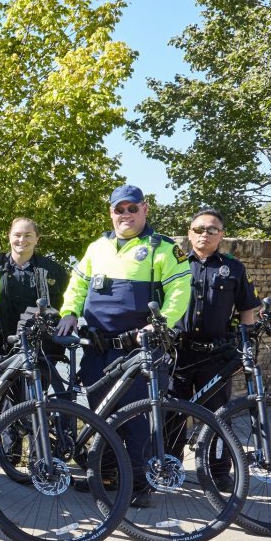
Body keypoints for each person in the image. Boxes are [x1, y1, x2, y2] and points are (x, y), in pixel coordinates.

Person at [57, 183, 192, 507]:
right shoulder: (98, 246)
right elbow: (77, 283)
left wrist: (160, 323)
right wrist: (70, 312)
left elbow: (179, 292)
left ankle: (139, 485)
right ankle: (104, 475)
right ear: (111, 212)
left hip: (139, 349)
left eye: (133, 208)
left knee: (137, 420)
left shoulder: (163, 248)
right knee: (101, 415)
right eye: (120, 209)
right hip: (97, 348)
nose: (126, 214)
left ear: (145, 209)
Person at [170, 208, 259, 487]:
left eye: (211, 230)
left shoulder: (233, 267)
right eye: (198, 229)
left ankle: (217, 472)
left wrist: (245, 343)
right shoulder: (176, 265)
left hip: (215, 355)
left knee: (218, 418)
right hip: (178, 353)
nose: (204, 234)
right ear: (189, 233)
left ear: (221, 235)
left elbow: (247, 308)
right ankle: (169, 467)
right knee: (171, 415)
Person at [0, 217, 70, 355]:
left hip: (42, 349)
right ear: (9, 237)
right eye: (17, 235)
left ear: (37, 238)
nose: (22, 240)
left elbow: (69, 303)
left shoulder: (54, 271)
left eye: (28, 235)